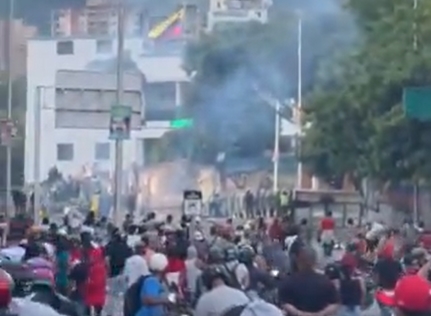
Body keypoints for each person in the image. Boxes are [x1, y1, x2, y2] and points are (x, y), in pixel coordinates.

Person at [278, 246, 338, 315]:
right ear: (315, 261)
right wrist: (320, 314)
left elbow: (284, 303)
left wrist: (299, 313)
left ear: (298, 261)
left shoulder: (288, 282)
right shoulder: (326, 281)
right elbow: (334, 303)